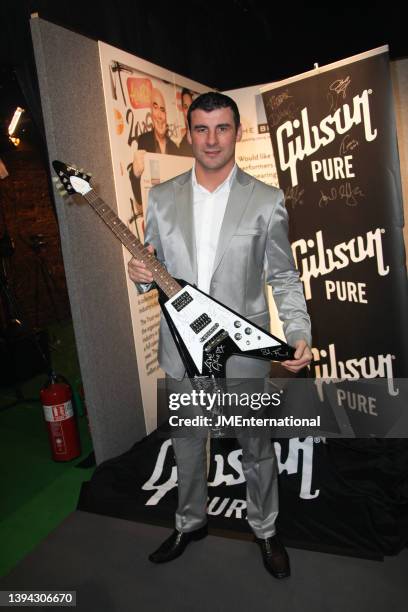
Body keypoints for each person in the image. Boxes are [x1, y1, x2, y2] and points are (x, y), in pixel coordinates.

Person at [128, 92, 312, 579]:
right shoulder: (161, 197)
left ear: (238, 132)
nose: (212, 139)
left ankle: (266, 529)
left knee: (256, 445)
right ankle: (190, 523)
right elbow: (154, 268)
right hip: (180, 350)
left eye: (222, 128)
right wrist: (140, 274)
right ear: (189, 133)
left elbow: (283, 276)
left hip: (243, 354)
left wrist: (297, 329)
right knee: (187, 441)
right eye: (202, 129)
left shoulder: (266, 200)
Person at [129, 87, 178, 207]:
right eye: (155, 108)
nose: (160, 115)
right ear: (151, 114)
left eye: (162, 110)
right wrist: (135, 173)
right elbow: (139, 195)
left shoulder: (175, 148)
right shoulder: (144, 141)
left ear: (166, 115)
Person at [177, 88, 193, 156]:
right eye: (186, 107)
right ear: (182, 110)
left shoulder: (203, 136)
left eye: (191, 107)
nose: (189, 111)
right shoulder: (182, 145)